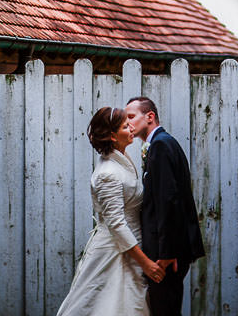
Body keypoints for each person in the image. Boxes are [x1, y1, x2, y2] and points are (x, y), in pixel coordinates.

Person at [55, 106, 166, 316]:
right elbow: (116, 224)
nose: (132, 127)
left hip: (133, 244)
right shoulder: (108, 173)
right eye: (125, 126)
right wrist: (146, 263)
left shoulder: (123, 161)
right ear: (113, 136)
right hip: (116, 251)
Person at [124, 96, 205, 316]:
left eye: (131, 116)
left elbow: (168, 201)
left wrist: (168, 252)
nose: (127, 123)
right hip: (166, 249)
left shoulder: (160, 145)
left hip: (165, 255)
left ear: (149, 116)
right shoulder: (160, 143)